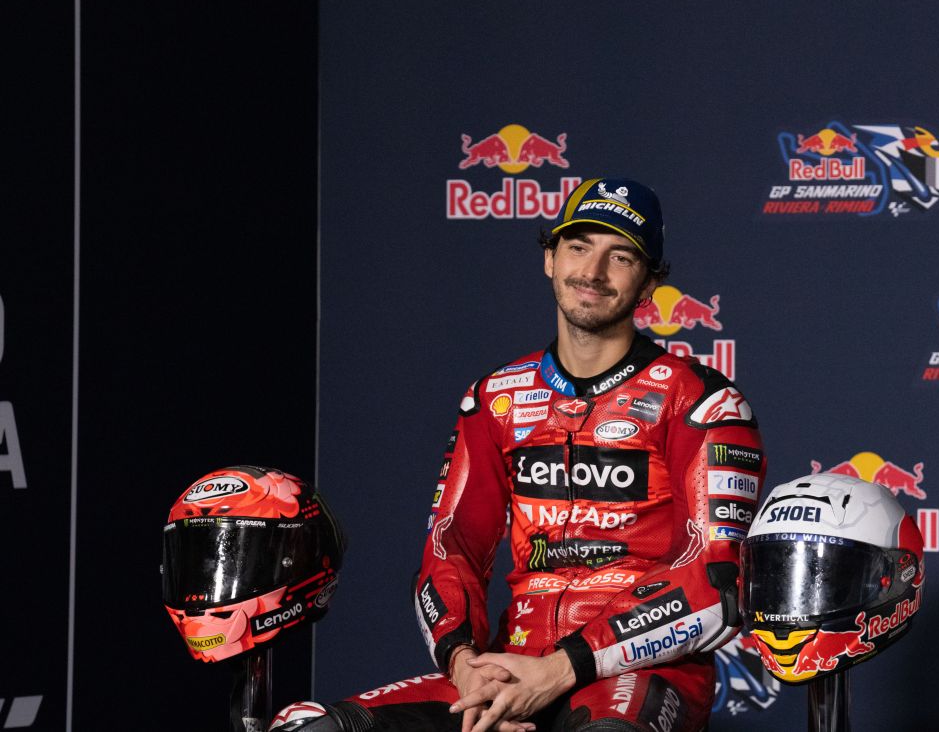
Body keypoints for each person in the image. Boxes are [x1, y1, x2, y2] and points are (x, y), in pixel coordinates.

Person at [272, 177, 765, 732]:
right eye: (578, 247)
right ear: (550, 259)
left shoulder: (701, 402)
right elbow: (451, 548)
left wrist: (562, 669)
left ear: (650, 283)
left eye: (620, 256)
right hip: (509, 667)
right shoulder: (495, 398)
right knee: (309, 727)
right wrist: (465, 666)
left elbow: (717, 582)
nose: (593, 271)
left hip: (639, 673)